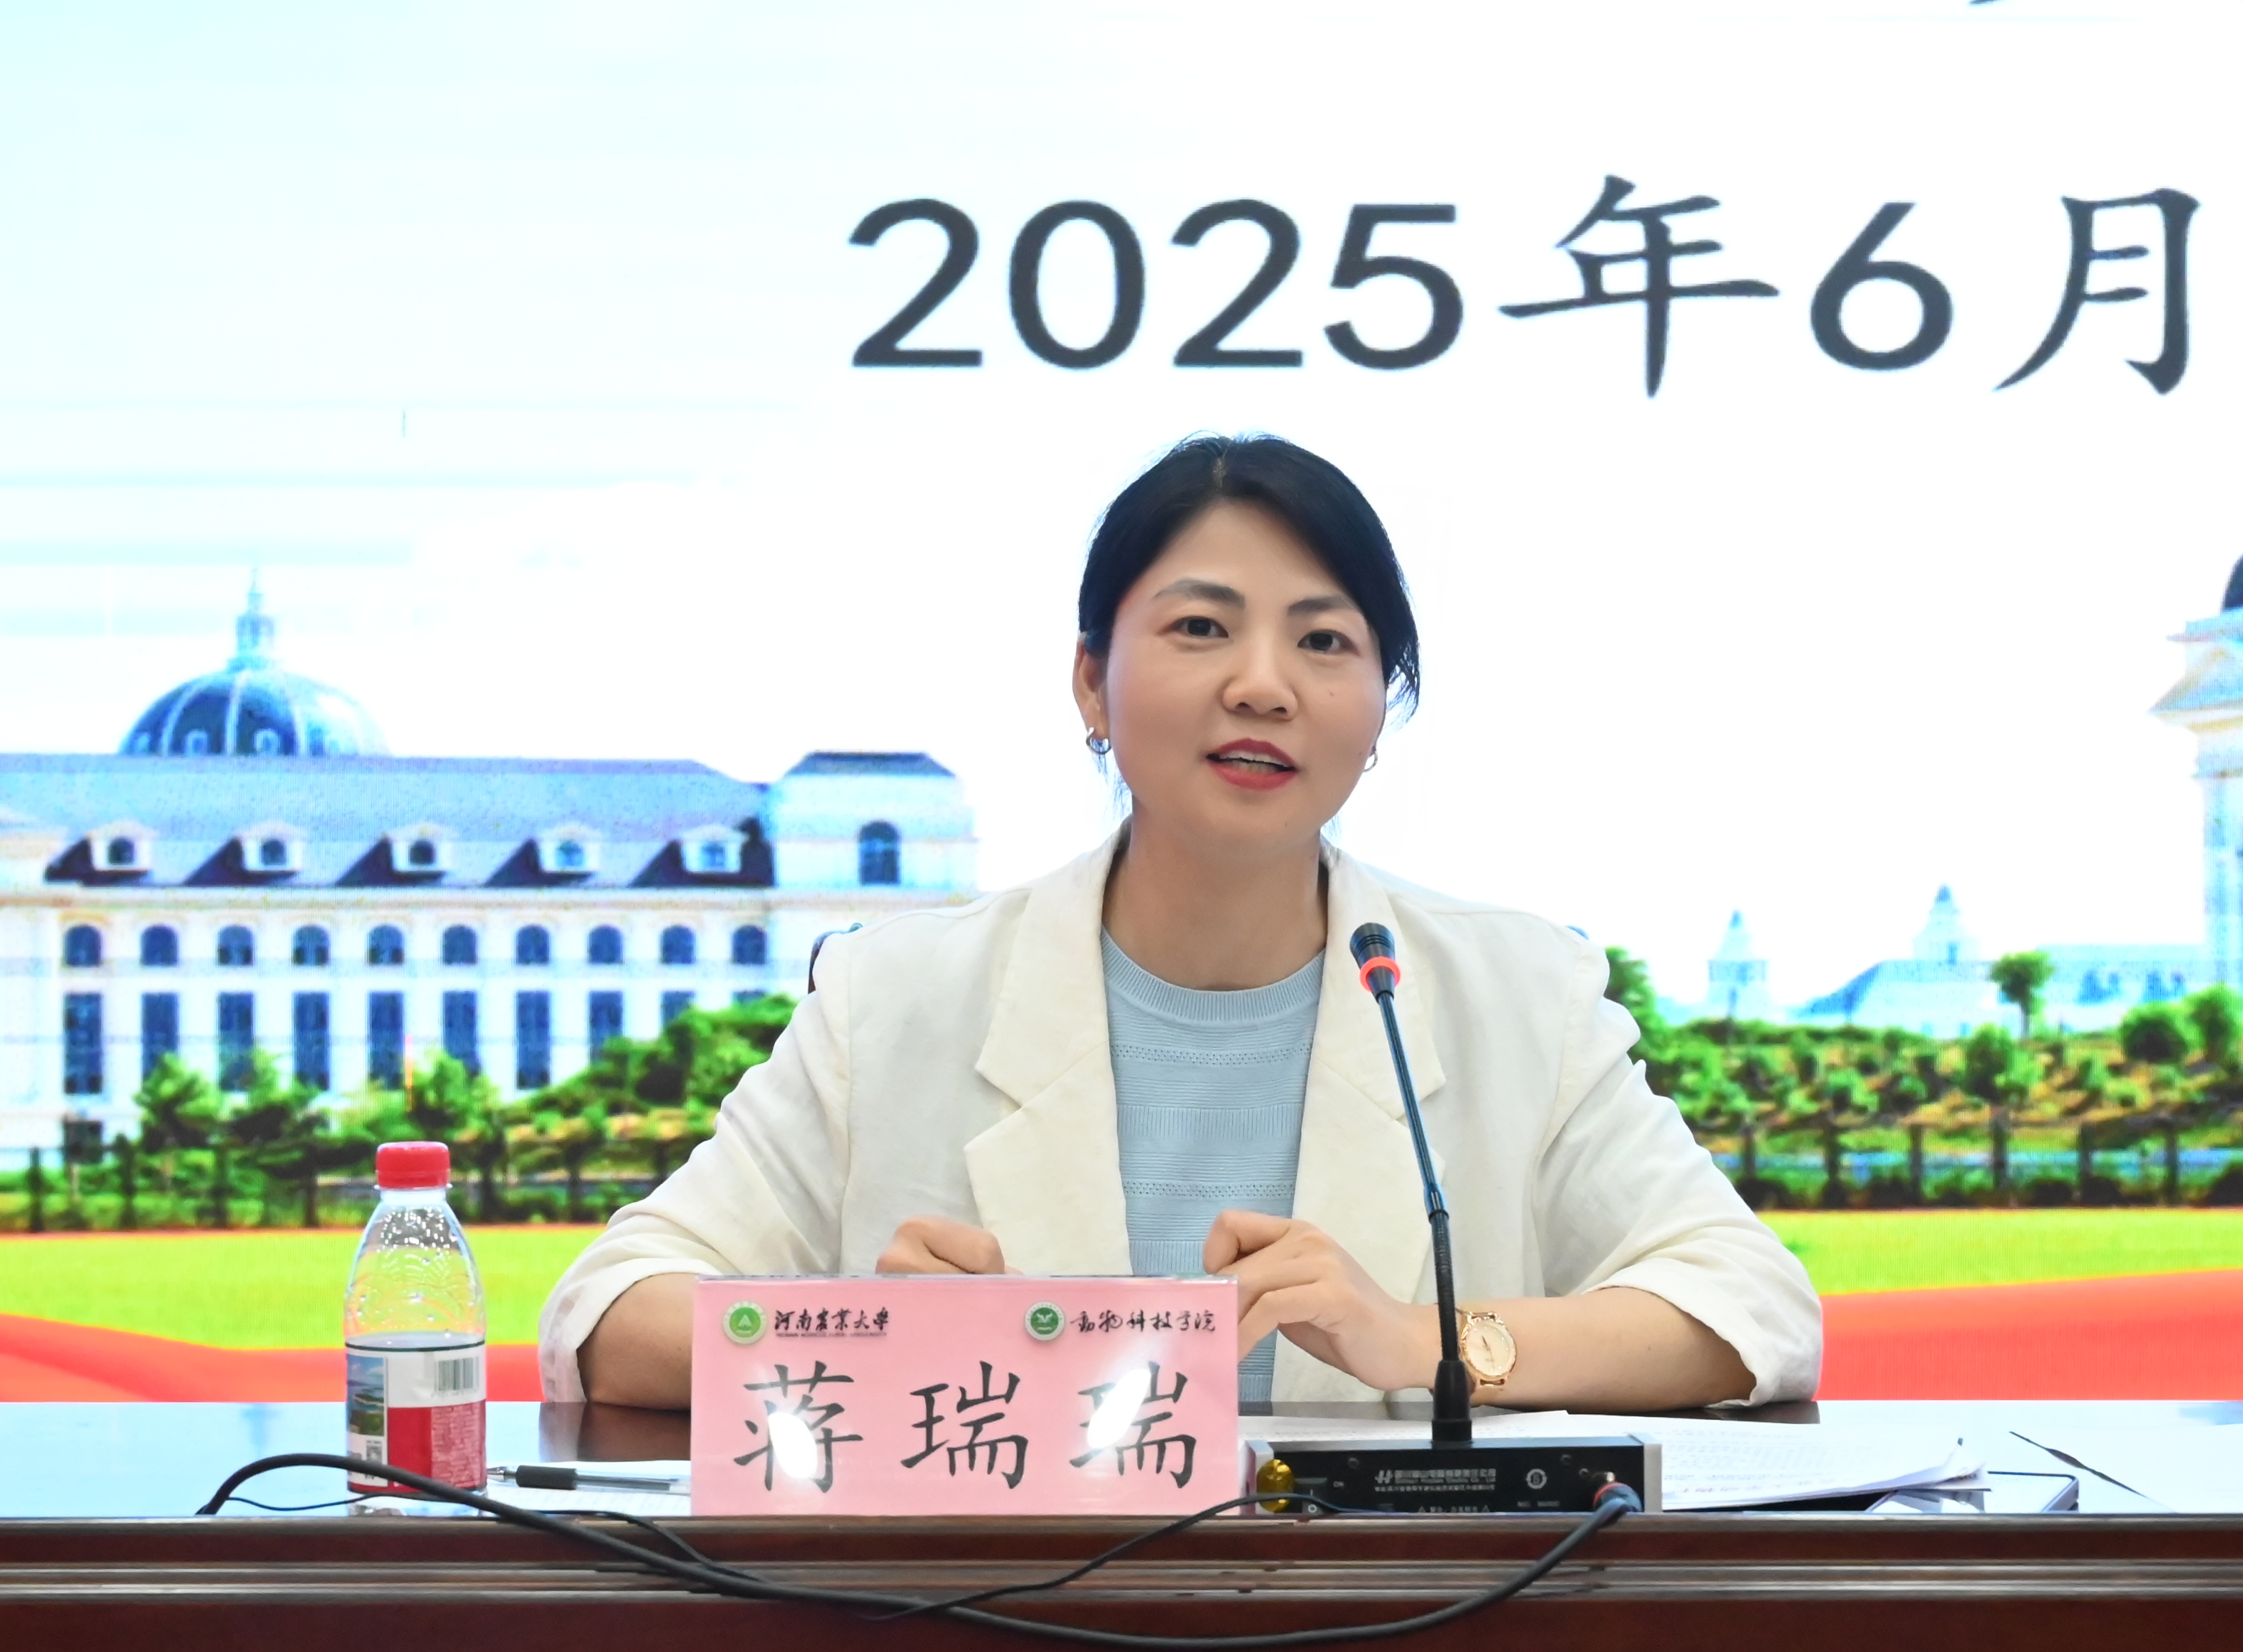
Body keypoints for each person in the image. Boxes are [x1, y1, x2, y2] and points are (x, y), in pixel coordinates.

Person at [540, 434, 1821, 1412]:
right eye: (1201, 627)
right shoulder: (897, 995)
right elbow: (609, 1314)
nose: (1263, 684)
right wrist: (874, 1344)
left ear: (1380, 712)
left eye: (1325, 642)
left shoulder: (1521, 991)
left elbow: (1748, 1305)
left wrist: (1430, 1342)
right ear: (1092, 684)